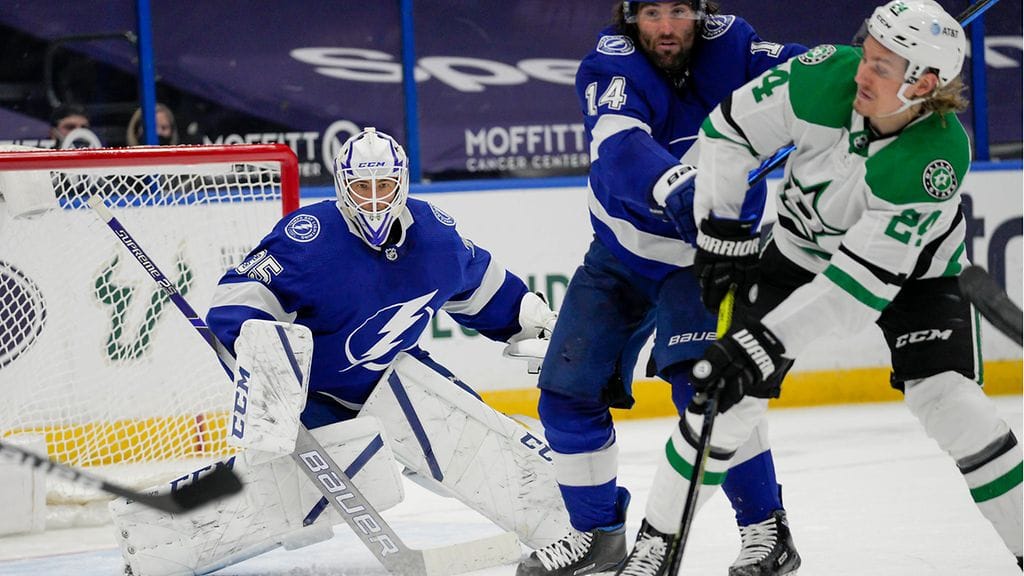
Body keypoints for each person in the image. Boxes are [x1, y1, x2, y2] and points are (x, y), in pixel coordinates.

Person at [625, 0, 1023, 573]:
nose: (863, 71)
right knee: (724, 404)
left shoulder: (933, 160)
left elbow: (853, 294)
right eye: (869, 54)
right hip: (796, 251)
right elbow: (726, 135)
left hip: (915, 277)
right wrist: (722, 228)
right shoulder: (823, 74)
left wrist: (763, 341)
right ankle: (654, 548)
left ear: (926, 83)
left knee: (951, 404)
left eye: (884, 68)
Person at [108, 127, 569, 575]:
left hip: (397, 381)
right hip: (316, 399)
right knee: (286, 499)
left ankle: (570, 534)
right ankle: (152, 543)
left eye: (384, 185)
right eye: (361, 185)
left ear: (402, 183)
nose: (373, 198)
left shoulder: (435, 238)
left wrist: (531, 322)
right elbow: (238, 303)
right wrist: (265, 368)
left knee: (479, 451)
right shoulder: (308, 238)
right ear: (341, 185)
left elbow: (484, 289)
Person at [518, 2, 806, 576]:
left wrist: (857, 70)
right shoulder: (611, 65)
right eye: (651, 12)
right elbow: (620, 148)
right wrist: (672, 180)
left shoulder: (735, 47)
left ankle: (767, 531)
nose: (667, 28)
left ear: (701, 13)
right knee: (567, 392)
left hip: (709, 258)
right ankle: (597, 536)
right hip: (621, 256)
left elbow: (808, 74)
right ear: (630, 16)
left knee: (708, 392)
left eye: (679, 10)